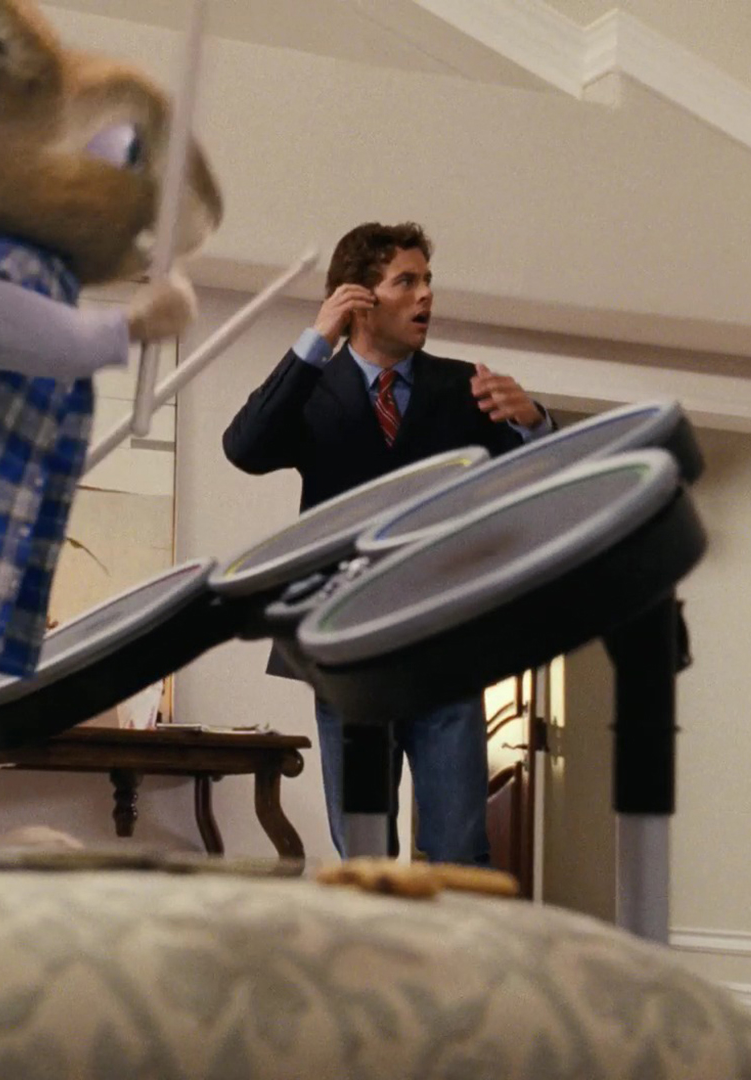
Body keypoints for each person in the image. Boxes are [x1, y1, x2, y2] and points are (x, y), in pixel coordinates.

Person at [221, 221, 553, 866]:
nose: (426, 294)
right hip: (344, 649)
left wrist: (535, 424)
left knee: (459, 849)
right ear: (360, 298)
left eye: (427, 280)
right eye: (406, 281)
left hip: (443, 643)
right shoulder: (311, 388)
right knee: (365, 851)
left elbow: (544, 481)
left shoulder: (465, 386)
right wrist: (316, 340)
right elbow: (245, 448)